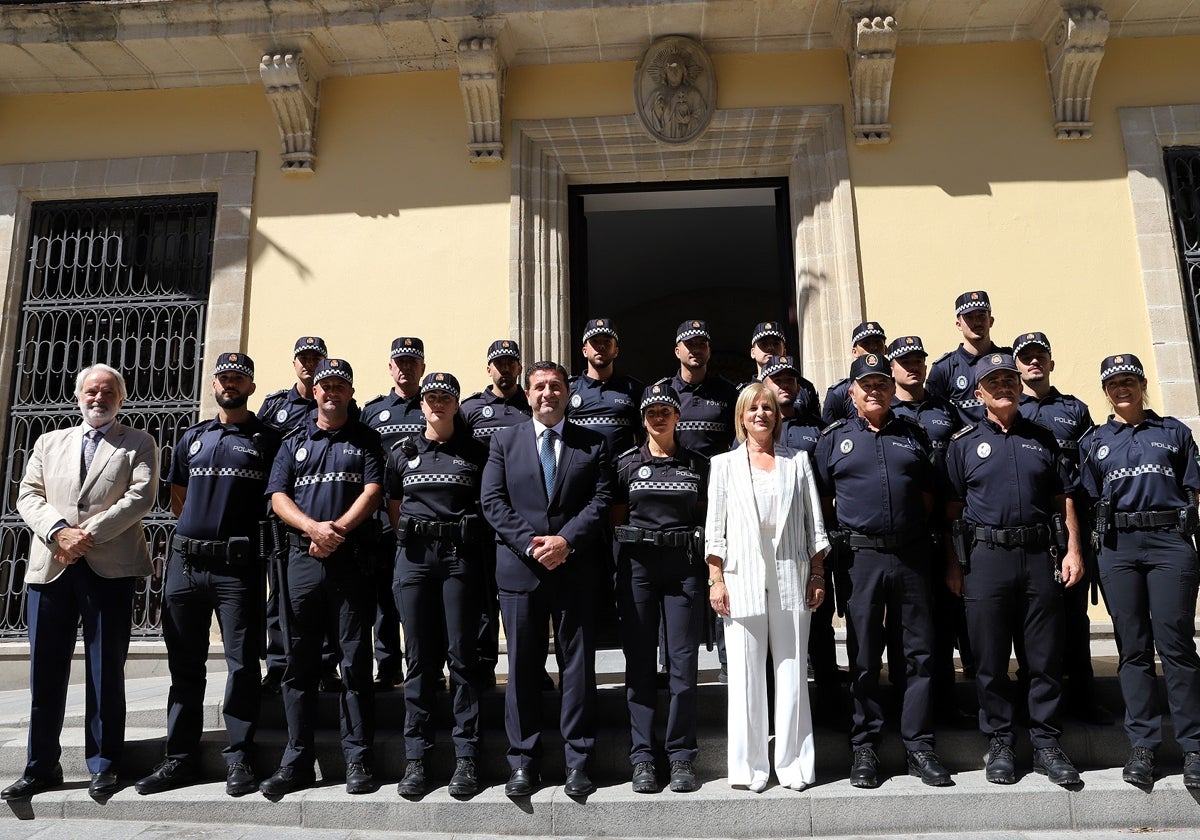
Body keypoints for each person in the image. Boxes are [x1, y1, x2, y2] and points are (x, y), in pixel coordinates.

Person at [4, 364, 158, 801]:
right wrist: (58, 531)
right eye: (91, 391)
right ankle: (40, 767)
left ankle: (104, 764)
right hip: (50, 567)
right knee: (44, 673)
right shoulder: (49, 442)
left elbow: (140, 498)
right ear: (78, 396)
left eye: (107, 392)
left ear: (120, 399)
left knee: (105, 670)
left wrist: (84, 536)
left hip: (109, 569)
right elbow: (28, 495)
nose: (98, 398)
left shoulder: (139, 443)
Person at [135, 353, 280, 797]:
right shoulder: (193, 437)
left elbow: (276, 497)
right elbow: (179, 498)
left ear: (251, 387)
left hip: (237, 570)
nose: (229, 384)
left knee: (241, 665)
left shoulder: (269, 439)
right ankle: (179, 758)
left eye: (238, 378)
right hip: (186, 566)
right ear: (214, 384)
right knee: (184, 665)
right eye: (223, 377)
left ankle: (239, 757)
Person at [945, 353, 1084, 788]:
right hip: (985, 559)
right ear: (979, 392)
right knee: (987, 660)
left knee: (1043, 658)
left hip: (1038, 555)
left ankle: (1045, 742)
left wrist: (1073, 550)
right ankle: (1001, 741)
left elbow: (1065, 499)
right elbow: (950, 509)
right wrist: (954, 565)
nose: (1004, 385)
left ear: (1020, 387)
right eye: (994, 381)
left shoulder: (1043, 439)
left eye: (1010, 379)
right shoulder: (962, 442)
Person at [815, 353, 949, 789]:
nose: (874, 390)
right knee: (864, 656)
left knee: (918, 655)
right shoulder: (833, 440)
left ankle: (919, 746)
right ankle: (866, 746)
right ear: (850, 393)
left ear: (892, 389)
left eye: (881, 384)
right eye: (865, 385)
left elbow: (930, 496)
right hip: (860, 561)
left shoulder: (914, 435)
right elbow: (821, 505)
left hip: (911, 557)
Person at [481, 361, 614, 798]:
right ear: (529, 392)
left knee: (577, 668)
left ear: (567, 392)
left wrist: (565, 542)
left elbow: (602, 500)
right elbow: (493, 502)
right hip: (521, 571)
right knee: (521, 668)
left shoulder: (592, 443)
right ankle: (523, 761)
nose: (547, 394)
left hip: (576, 570)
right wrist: (534, 545)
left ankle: (578, 760)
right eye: (539, 386)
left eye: (555, 386)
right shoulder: (504, 441)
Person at [262, 359, 384, 796]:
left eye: (339, 386)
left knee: (354, 662)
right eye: (324, 385)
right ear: (313, 391)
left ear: (351, 392)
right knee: (299, 665)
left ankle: (358, 759)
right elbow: (277, 496)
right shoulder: (293, 441)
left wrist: (336, 532)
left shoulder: (367, 440)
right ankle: (296, 760)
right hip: (302, 562)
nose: (331, 392)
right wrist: (313, 529)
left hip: (350, 562)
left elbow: (373, 491)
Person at [1079, 353, 1200, 789]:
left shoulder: (1174, 432)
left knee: (1177, 646)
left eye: (1129, 380)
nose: (1122, 388)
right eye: (1113, 383)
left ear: (1142, 383)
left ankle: (1194, 747)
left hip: (1170, 541)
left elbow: (1193, 490)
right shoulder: (1093, 442)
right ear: (1105, 390)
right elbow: (1087, 499)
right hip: (1118, 546)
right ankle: (1143, 746)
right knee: (1132, 647)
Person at [705, 382, 829, 792]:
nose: (761, 414)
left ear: (778, 416)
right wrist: (716, 579)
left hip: (793, 577)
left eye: (769, 408)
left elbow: (815, 525)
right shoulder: (723, 465)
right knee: (744, 676)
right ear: (741, 417)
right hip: (741, 579)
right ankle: (749, 767)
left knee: (792, 673)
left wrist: (816, 574)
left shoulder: (798, 461)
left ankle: (793, 765)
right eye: (753, 408)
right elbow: (715, 530)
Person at [388, 373, 489, 798]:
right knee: (419, 660)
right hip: (414, 559)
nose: (437, 404)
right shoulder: (403, 453)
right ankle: (417, 759)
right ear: (423, 403)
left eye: (445, 398)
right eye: (431, 398)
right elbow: (393, 506)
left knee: (462, 658)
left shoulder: (476, 453)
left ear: (456, 404)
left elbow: (487, 505)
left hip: (458, 560)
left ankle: (465, 757)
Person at [612, 383, 708, 794]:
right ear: (643, 416)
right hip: (638, 569)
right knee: (639, 667)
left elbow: (708, 516)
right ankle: (643, 757)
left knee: (684, 667)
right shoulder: (627, 465)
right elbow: (614, 519)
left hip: (683, 569)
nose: (658, 415)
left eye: (666, 409)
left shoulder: (698, 464)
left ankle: (682, 755)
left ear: (677, 415)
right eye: (651, 410)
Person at [1014, 331, 1112, 726]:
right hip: (1032, 525)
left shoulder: (1075, 410)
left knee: (1074, 616)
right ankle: (1033, 698)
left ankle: (1083, 697)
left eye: (1040, 357)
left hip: (1073, 524)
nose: (1033, 363)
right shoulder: (1009, 410)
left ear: (1051, 363)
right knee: (1031, 617)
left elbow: (1093, 468)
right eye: (1026, 358)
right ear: (1017, 365)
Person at [888, 335, 973, 728]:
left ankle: (947, 700)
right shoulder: (884, 412)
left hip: (943, 526)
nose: (912, 367)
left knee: (945, 620)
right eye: (904, 361)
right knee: (903, 626)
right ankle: (904, 703)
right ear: (892, 368)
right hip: (902, 534)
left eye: (917, 360)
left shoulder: (946, 410)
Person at [257, 336, 347, 694]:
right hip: (284, 515)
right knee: (279, 592)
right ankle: (278, 665)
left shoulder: (337, 401)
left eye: (315, 358)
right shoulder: (276, 405)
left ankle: (326, 666)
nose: (308, 364)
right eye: (303, 358)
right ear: (294, 362)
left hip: (328, 513)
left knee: (325, 595)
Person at [461, 339, 531, 684]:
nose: (504, 369)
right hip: (480, 513)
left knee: (528, 596)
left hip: (523, 515)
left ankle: (530, 668)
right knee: (484, 594)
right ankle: (485, 665)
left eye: (510, 363)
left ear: (519, 367)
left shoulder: (531, 405)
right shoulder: (471, 408)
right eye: (498, 363)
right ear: (488, 368)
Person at [361, 336, 429, 691]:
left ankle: (425, 666)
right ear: (390, 367)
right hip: (381, 522)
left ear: (422, 367)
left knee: (421, 597)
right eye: (399, 362)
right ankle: (387, 667)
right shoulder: (373, 411)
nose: (405, 368)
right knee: (384, 597)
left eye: (411, 362)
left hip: (421, 519)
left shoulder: (433, 403)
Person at [927, 291, 1008, 423]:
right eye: (969, 317)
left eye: (981, 316)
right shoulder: (944, 368)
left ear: (991, 321)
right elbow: (933, 417)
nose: (976, 322)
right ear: (958, 324)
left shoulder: (1008, 360)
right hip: (963, 443)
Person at [821, 322, 887, 426]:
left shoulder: (895, 387)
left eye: (878, 342)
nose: (873, 347)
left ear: (885, 349)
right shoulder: (839, 393)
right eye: (866, 343)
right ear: (854, 351)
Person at [749, 322, 820, 418]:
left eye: (776, 344)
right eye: (764, 344)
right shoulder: (744, 392)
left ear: (784, 351)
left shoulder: (804, 388)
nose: (770, 347)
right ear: (753, 352)